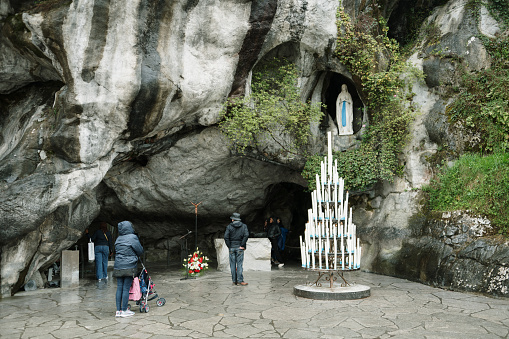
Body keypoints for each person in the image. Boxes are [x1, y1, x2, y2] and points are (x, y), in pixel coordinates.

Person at [113, 221, 143, 318]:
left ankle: (118, 311)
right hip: (129, 266)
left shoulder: (118, 239)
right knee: (126, 288)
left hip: (118, 266)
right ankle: (125, 310)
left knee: (119, 288)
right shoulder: (132, 237)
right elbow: (139, 250)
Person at [224, 212, 249, 286]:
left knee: (232, 265)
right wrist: (242, 245)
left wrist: (229, 246)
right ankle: (240, 280)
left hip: (232, 247)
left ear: (232, 219)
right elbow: (246, 235)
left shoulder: (229, 227)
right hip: (240, 248)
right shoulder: (244, 226)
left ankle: (234, 280)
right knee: (239, 265)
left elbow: (226, 237)